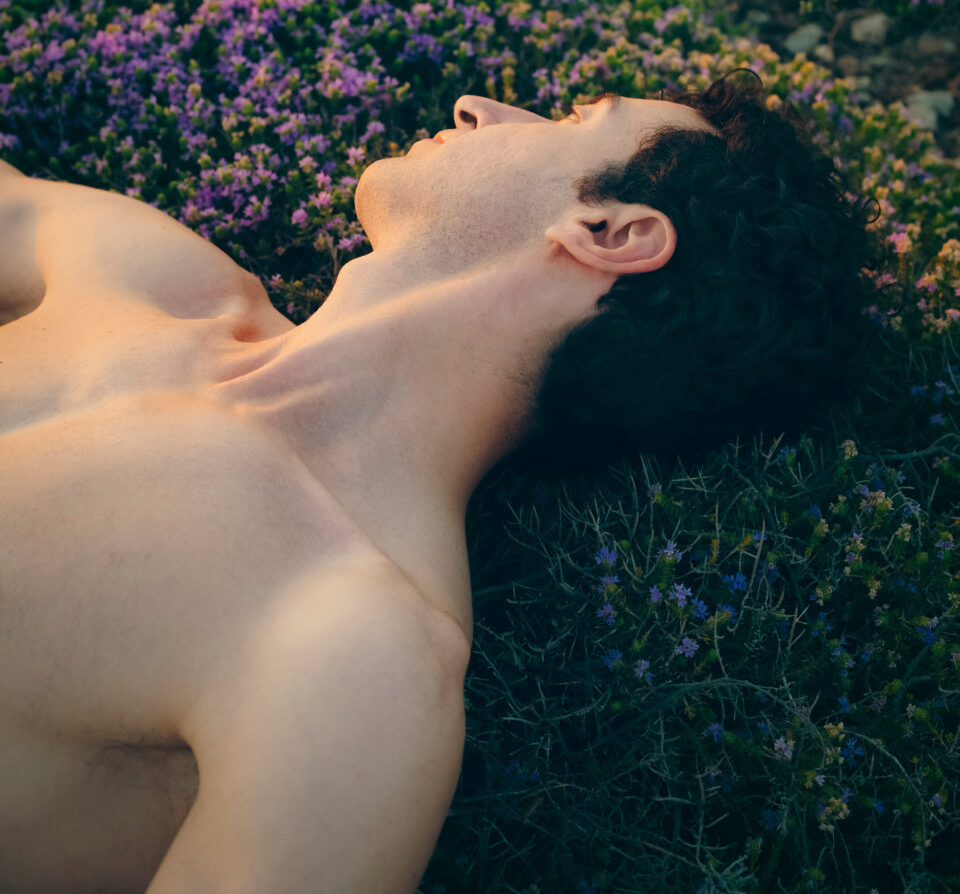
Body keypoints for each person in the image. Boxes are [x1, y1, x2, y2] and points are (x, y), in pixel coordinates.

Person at [0, 68, 881, 892]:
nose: (476, 106)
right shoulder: (155, 277)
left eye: (573, 118)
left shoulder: (352, 648)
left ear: (610, 233)